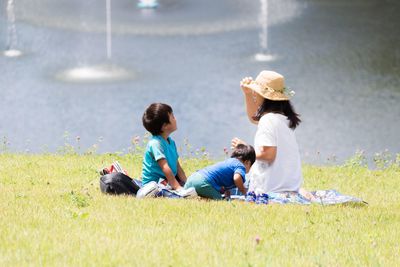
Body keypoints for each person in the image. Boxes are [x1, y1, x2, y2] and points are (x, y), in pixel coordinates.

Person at [231, 70, 313, 200]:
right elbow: (254, 118)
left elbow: (268, 155)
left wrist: (245, 149)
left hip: (270, 187)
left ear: (264, 96)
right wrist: (247, 94)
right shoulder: (282, 118)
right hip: (288, 185)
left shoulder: (268, 120)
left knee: (223, 182)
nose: (254, 95)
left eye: (255, 92)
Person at [183, 144, 255, 200]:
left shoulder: (229, 162)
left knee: (216, 194)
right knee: (219, 200)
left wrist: (226, 191)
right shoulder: (240, 166)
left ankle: (191, 194)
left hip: (193, 178)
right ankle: (197, 198)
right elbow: (237, 178)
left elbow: (220, 177)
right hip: (203, 182)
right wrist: (243, 190)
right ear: (247, 162)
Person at [141, 103, 187, 191]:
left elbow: (177, 166)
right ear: (164, 126)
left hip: (167, 180)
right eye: (172, 117)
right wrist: (177, 187)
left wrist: (186, 182)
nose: (175, 119)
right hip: (153, 184)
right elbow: (164, 167)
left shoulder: (171, 142)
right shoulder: (155, 143)